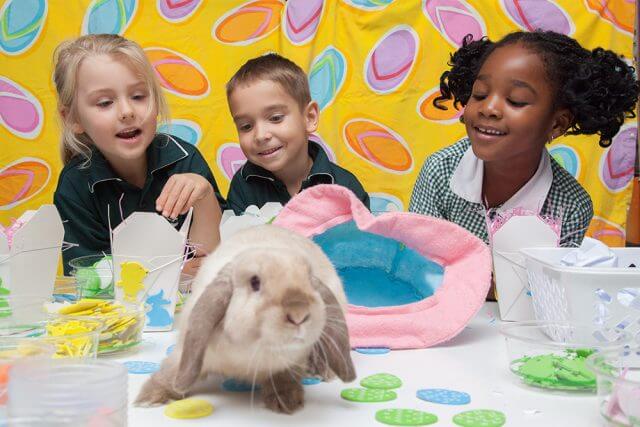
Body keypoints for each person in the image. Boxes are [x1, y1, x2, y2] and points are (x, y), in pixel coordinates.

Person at [410, 30, 638, 247]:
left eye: (516, 100)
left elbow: (550, 285)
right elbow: (419, 267)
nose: (489, 108)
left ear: (557, 124)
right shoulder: (440, 171)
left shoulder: (570, 206)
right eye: (480, 94)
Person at [52, 34, 224, 275]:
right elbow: (87, 276)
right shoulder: (75, 186)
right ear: (73, 118)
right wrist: (175, 272)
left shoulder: (184, 158)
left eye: (138, 96)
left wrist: (204, 195)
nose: (126, 111)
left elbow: (214, 258)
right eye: (104, 102)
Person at [225, 53, 370, 214]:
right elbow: (235, 238)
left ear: (309, 117)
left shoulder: (344, 186)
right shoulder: (243, 185)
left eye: (275, 118)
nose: (260, 135)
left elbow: (363, 239)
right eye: (246, 126)